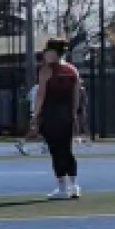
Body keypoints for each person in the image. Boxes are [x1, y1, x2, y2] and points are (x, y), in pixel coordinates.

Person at [32, 38, 82, 200]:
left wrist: (35, 114)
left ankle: (62, 188)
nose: (45, 54)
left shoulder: (46, 71)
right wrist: (74, 115)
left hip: (51, 116)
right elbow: (76, 96)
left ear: (53, 53)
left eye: (47, 51)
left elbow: (41, 94)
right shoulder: (72, 70)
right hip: (67, 116)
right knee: (67, 151)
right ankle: (74, 186)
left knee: (56, 151)